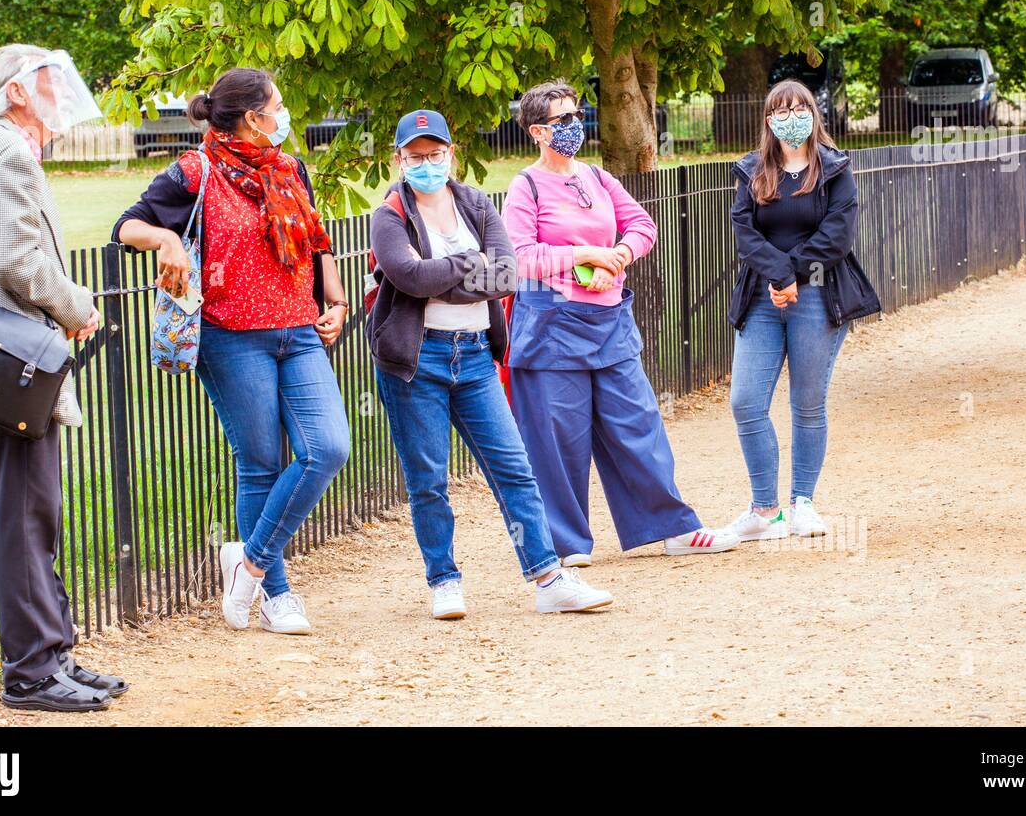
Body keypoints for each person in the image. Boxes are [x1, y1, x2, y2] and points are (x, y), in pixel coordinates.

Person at [114, 68, 350, 636]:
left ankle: (248, 564)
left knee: (329, 448)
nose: (283, 116)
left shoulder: (290, 169)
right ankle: (278, 594)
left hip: (298, 330)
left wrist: (337, 299)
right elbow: (127, 226)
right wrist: (168, 238)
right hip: (231, 335)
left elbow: (315, 239)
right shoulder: (195, 171)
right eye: (278, 106)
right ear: (252, 117)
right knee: (262, 464)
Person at [369, 109, 613, 617]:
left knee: (514, 470)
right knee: (429, 480)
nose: (427, 164)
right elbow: (408, 277)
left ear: (451, 153)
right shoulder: (391, 214)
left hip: (476, 356)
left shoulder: (475, 203)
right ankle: (444, 580)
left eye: (436, 154)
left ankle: (548, 575)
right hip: (418, 361)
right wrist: (465, 265)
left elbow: (505, 277)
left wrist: (445, 274)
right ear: (399, 160)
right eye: (416, 157)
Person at [0, 44, 125, 712]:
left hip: (8, 359)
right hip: (14, 363)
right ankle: (32, 673)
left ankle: (53, 655)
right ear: (18, 91)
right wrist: (76, 305)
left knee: (33, 512)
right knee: (24, 517)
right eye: (48, 80)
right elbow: (15, 257)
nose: (61, 90)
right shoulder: (9, 151)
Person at [501, 81, 738, 567]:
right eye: (561, 120)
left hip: (609, 319)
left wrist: (621, 255)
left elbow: (642, 225)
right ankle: (565, 546)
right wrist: (585, 253)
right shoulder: (524, 187)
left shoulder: (598, 178)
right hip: (550, 326)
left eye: (575, 115)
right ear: (538, 132)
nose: (573, 126)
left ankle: (673, 526)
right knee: (556, 438)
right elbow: (519, 257)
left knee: (639, 423)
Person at [727, 78, 880, 541]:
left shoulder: (835, 169)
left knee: (807, 404)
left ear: (813, 114)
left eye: (800, 109)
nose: (791, 118)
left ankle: (803, 504)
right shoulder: (752, 171)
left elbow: (837, 234)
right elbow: (743, 230)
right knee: (746, 402)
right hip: (762, 298)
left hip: (817, 295)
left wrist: (792, 274)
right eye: (781, 110)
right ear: (769, 120)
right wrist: (778, 276)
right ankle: (764, 509)